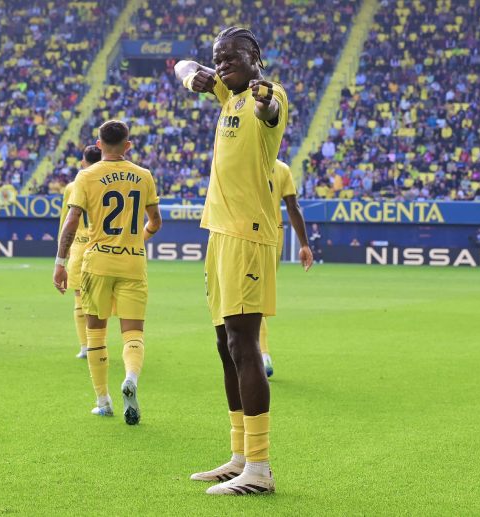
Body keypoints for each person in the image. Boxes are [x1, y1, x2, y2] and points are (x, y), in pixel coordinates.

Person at [175, 26, 305, 495]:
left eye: (232, 56)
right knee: (224, 346)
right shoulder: (226, 97)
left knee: (245, 346)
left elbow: (269, 108)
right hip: (220, 236)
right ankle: (238, 457)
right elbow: (180, 66)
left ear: (256, 59)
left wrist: (263, 95)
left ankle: (260, 469)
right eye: (218, 56)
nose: (223, 61)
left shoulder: (266, 98)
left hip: (249, 236)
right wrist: (198, 75)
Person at [54, 120, 162, 425]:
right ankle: (130, 378)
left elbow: (71, 223)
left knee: (96, 333)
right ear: (128, 145)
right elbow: (155, 221)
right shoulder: (144, 176)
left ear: (99, 145)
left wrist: (60, 263)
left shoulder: (86, 176)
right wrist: (138, 239)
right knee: (133, 333)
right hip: (133, 262)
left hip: (97, 262)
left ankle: (103, 401)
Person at [259, 160, 313, 378]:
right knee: (260, 297)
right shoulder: (282, 169)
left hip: (246, 235)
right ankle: (261, 354)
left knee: (247, 299)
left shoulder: (247, 159)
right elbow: (293, 206)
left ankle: (261, 354)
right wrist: (304, 244)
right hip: (275, 239)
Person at [58, 144, 102, 359]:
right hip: (101, 245)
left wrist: (61, 253)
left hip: (78, 245)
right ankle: (96, 344)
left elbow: (66, 221)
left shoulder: (73, 186)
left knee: (78, 296)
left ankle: (85, 346)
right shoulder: (107, 183)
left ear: (83, 162)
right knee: (98, 298)